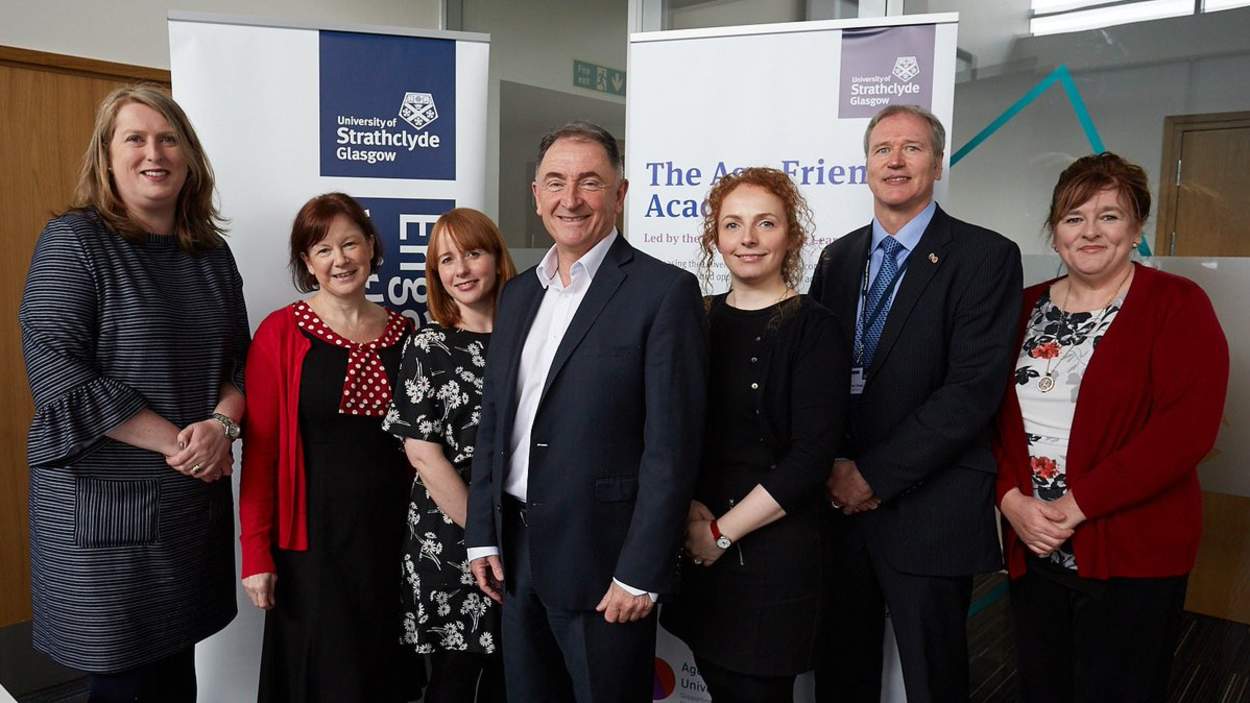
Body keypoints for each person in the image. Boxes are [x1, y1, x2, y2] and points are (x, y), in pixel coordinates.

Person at [19, 84, 249, 701]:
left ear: (189, 156)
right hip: (103, 508)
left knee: (175, 680)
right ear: (107, 156)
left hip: (189, 503)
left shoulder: (210, 254)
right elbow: (58, 374)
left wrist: (222, 427)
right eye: (136, 138)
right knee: (126, 681)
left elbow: (241, 364)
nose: (156, 152)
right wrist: (186, 442)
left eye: (169, 138)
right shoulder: (75, 242)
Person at [463, 121, 707, 702]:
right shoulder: (519, 293)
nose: (570, 199)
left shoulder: (663, 292)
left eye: (589, 182)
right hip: (515, 561)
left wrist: (641, 570)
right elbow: (495, 421)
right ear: (537, 196)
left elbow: (671, 449)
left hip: (605, 566)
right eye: (555, 182)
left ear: (620, 194)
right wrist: (481, 536)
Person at [993, 152, 1228, 703]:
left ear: (1137, 227)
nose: (1090, 231)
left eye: (1109, 215)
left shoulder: (1177, 304)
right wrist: (1010, 502)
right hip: (1035, 544)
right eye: (1074, 217)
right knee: (1041, 687)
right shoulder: (1023, 308)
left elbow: (1186, 431)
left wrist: (1074, 508)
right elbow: (991, 423)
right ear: (1055, 233)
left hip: (1134, 553)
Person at [809, 104, 1023, 703]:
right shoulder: (838, 257)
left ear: (937, 163)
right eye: (882, 149)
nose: (895, 161)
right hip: (838, 510)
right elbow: (822, 379)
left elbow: (971, 391)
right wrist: (827, 467)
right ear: (867, 165)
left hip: (930, 511)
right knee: (841, 674)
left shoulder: (985, 256)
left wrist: (871, 476)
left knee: (934, 679)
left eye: (911, 148)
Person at [661, 168, 848, 703]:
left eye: (765, 223)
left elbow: (811, 459)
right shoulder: (697, 317)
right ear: (713, 236)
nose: (747, 239)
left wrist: (719, 533)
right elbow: (676, 429)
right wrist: (693, 513)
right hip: (698, 547)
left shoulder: (815, 327)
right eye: (733, 224)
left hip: (771, 557)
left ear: (792, 235)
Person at [239, 192, 414, 702]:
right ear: (306, 263)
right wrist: (256, 554)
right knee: (319, 678)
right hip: (310, 547)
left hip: (392, 542)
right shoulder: (280, 333)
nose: (340, 259)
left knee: (382, 676)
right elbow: (262, 453)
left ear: (372, 249)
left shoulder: (408, 334)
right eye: (322, 249)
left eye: (350, 244)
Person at [382, 208, 516, 703]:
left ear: (498, 259)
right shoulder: (429, 344)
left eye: (472, 254)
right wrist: (486, 536)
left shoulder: (530, 339)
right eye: (445, 260)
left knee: (514, 671)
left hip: (523, 532)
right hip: (451, 535)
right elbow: (422, 454)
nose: (460, 269)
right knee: (456, 678)